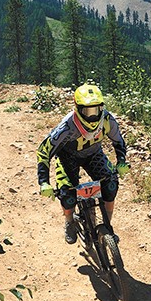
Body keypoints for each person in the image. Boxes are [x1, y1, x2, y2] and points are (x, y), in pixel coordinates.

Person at [36, 83, 130, 244]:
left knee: (111, 185)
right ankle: (69, 222)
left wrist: (121, 161)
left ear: (102, 107)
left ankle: (107, 226)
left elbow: (118, 141)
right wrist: (44, 182)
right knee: (67, 195)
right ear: (78, 109)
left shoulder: (107, 119)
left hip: (93, 154)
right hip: (67, 157)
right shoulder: (66, 127)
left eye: (96, 110)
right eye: (88, 111)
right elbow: (44, 151)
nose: (93, 115)